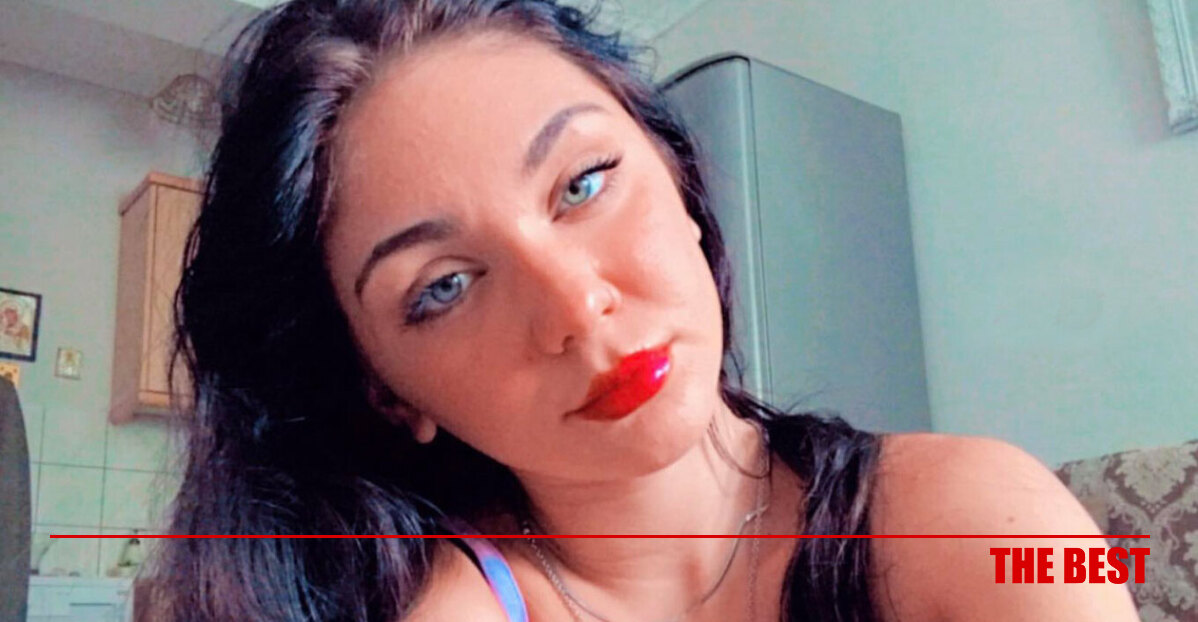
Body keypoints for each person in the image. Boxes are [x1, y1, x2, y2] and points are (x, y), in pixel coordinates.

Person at [154, 1, 1140, 620]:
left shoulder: (975, 521)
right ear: (384, 390)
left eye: (583, 182)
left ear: (679, 178)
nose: (577, 307)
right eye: (444, 286)